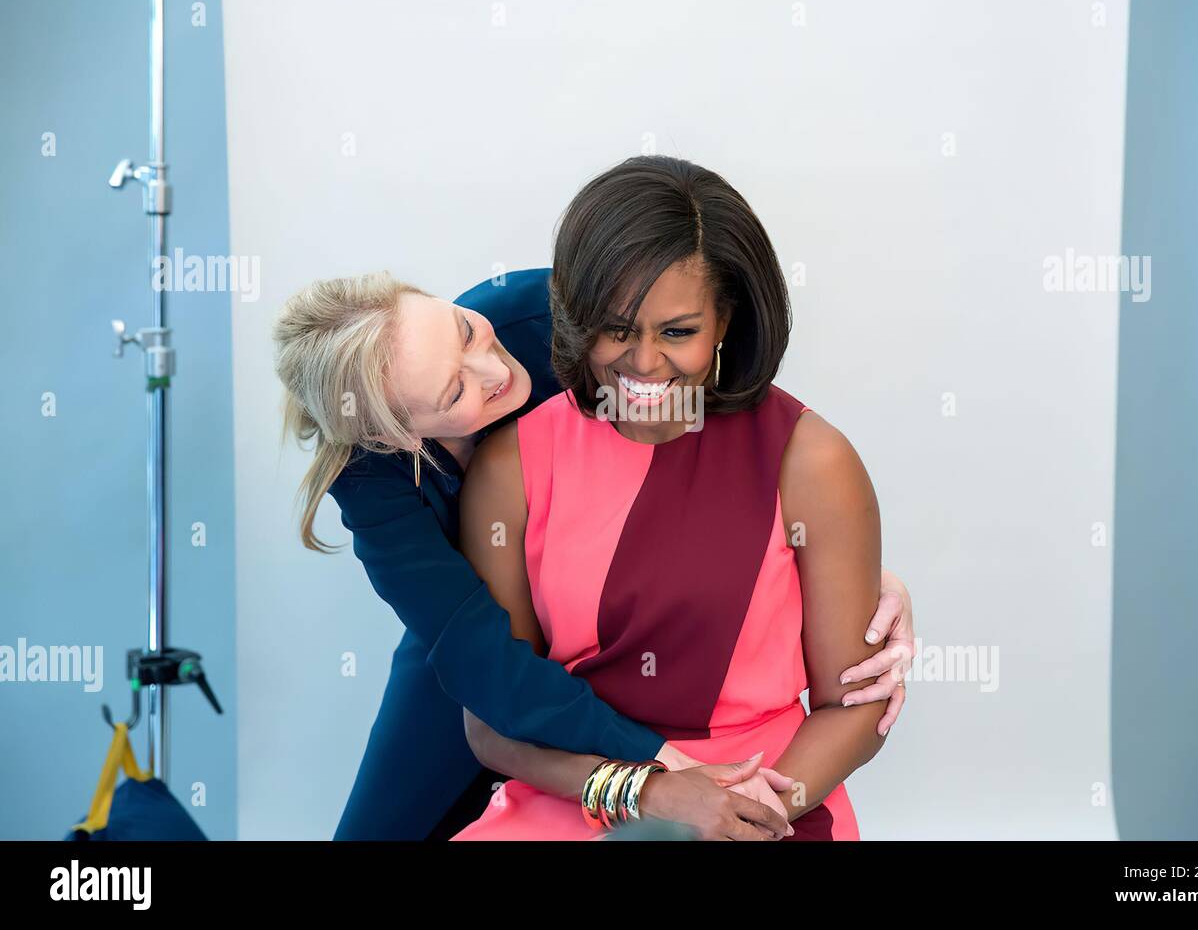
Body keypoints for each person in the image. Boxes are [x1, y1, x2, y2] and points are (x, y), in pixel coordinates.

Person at [271, 163, 914, 841]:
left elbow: (743, 485)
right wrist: (659, 785)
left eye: (465, 334)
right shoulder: (393, 480)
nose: (494, 372)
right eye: (453, 392)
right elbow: (491, 682)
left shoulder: (546, 315)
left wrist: (857, 576)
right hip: (471, 648)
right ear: (388, 432)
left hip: (727, 761)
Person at [450, 155, 884, 840]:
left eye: (677, 332)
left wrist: (755, 810)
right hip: (578, 796)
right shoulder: (511, 466)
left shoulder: (813, 461)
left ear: (726, 321)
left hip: (767, 796)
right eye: (616, 329)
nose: (644, 363)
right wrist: (649, 796)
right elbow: (493, 722)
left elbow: (852, 706)